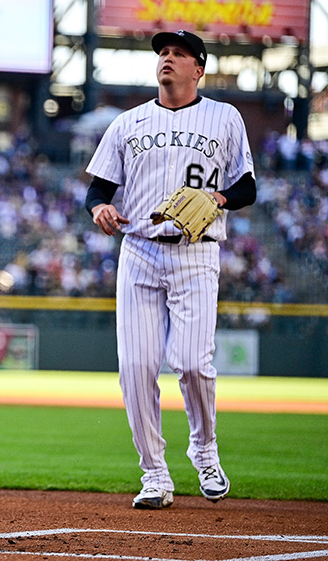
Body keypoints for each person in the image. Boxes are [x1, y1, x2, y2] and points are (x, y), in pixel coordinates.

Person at [84, 30, 256, 510]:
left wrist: (217, 198)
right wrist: (99, 208)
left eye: (179, 54)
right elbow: (98, 188)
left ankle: (205, 450)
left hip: (196, 252)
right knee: (135, 369)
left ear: (198, 69)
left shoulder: (224, 117)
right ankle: (155, 474)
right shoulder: (128, 123)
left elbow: (246, 188)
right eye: (163, 52)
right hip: (139, 250)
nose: (167, 58)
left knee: (193, 363)